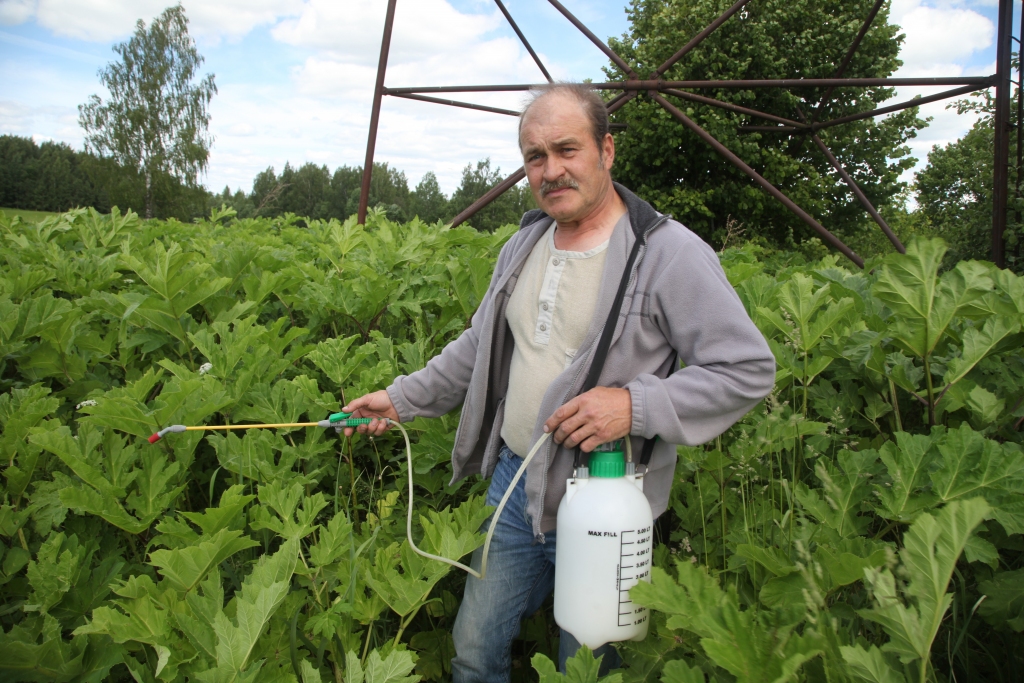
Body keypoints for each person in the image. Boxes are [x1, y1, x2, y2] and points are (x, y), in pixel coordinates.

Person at [342, 83, 775, 683]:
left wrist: (634, 405)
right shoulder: (525, 242)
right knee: (473, 649)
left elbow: (747, 367)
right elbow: (482, 345)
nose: (551, 170)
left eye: (567, 149)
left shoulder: (667, 253)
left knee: (588, 665)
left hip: (607, 502)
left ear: (607, 151)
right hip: (514, 485)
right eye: (534, 156)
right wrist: (401, 399)